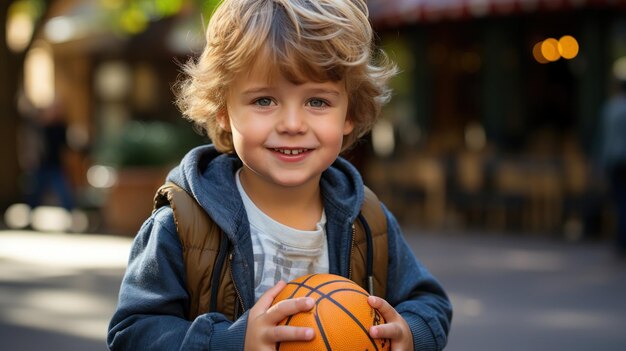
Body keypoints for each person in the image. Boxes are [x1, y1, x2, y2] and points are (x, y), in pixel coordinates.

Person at [107, 0, 452, 350]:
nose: (292, 125)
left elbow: (430, 304)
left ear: (350, 112)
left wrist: (410, 333)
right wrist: (231, 342)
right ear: (223, 109)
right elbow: (133, 332)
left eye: (317, 101)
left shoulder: (367, 219)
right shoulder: (182, 224)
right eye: (264, 101)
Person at [599, 78, 626, 255]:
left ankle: (621, 241)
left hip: (616, 161)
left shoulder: (611, 108)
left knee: (620, 202)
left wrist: (602, 163)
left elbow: (604, 138)